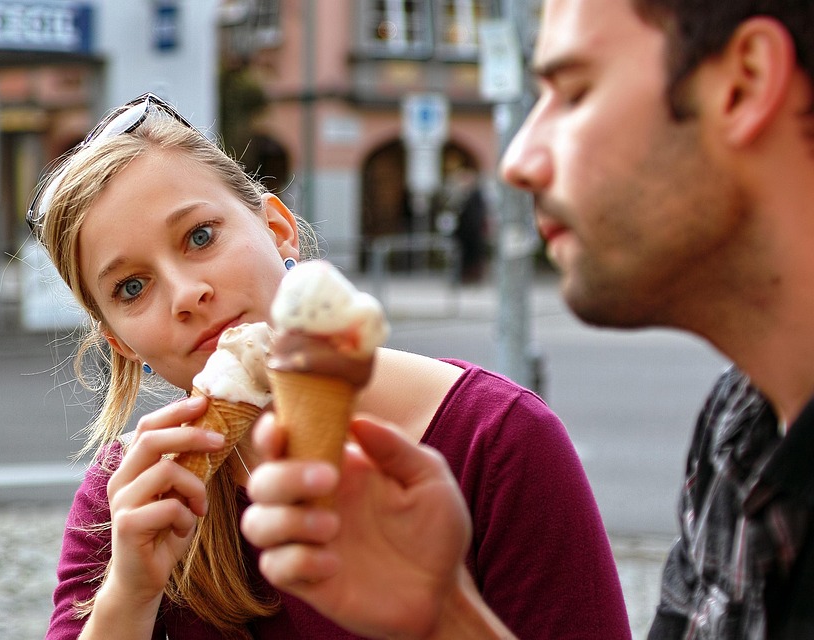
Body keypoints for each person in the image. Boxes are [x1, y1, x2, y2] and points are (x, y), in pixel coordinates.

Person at [240, 0, 814, 638]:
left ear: (746, 83)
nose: (518, 161)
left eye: (572, 92)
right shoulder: (741, 426)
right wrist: (449, 617)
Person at [28, 92, 631, 639]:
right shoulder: (129, 498)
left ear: (278, 230)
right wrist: (128, 597)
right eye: (132, 287)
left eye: (200, 235)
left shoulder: (495, 441)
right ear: (121, 342)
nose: (186, 293)